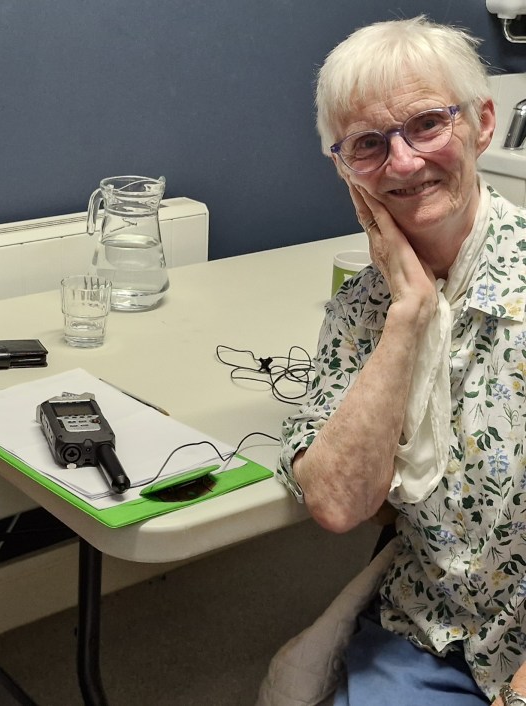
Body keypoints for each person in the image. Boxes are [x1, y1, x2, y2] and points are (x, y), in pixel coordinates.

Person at [273, 15, 526, 706]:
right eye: (368, 145)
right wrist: (408, 317)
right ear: (345, 170)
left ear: (481, 123)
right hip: (429, 630)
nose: (404, 162)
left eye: (425, 125)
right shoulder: (364, 307)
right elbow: (336, 502)